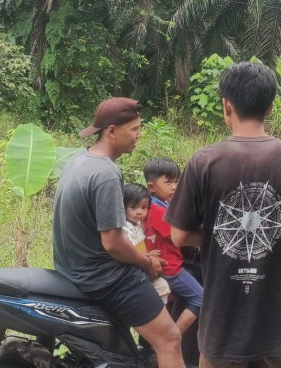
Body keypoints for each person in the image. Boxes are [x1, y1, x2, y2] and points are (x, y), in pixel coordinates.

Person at [167, 61, 281, 368]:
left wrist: (219, 230)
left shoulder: (204, 161)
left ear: (226, 106)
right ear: (270, 108)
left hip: (222, 328)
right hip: (278, 326)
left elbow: (179, 235)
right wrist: (275, 229)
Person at [52, 97, 185, 367]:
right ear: (111, 131)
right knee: (170, 338)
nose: (139, 135)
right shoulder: (106, 173)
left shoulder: (80, 159)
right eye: (135, 129)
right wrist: (147, 262)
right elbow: (113, 243)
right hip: (103, 277)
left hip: (72, 269)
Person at [144, 158, 204, 334]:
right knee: (201, 298)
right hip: (171, 267)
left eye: (177, 181)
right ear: (151, 187)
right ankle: (174, 337)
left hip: (169, 264)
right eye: (168, 182)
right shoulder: (159, 211)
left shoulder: (159, 206)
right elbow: (176, 233)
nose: (174, 187)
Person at [123, 182, 172, 305]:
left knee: (164, 285)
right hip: (134, 269)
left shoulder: (138, 223)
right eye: (133, 207)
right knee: (162, 286)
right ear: (123, 207)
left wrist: (149, 254)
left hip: (142, 263)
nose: (139, 212)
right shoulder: (124, 228)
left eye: (144, 208)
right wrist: (149, 256)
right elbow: (130, 252)